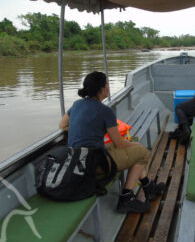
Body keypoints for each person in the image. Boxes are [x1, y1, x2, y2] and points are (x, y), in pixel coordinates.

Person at [59, 71, 165, 213]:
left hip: (78, 160)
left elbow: (62, 125)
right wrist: (135, 144)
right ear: (102, 89)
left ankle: (148, 186)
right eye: (107, 84)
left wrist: (84, 126)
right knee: (142, 153)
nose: (109, 87)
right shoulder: (105, 111)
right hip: (94, 165)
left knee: (134, 151)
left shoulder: (77, 105)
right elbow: (119, 143)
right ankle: (126, 198)